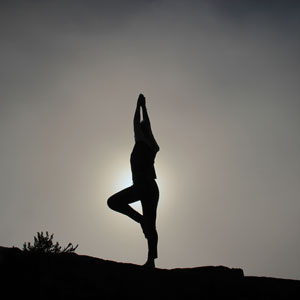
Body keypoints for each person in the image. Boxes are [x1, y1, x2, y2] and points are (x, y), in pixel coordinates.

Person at [107, 93, 160, 268]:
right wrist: (144, 107)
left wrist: (139, 107)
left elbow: (138, 124)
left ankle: (140, 220)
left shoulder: (142, 142)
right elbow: (147, 125)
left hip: (143, 185)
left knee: (113, 202)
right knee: (151, 225)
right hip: (152, 187)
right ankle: (151, 260)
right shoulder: (153, 146)